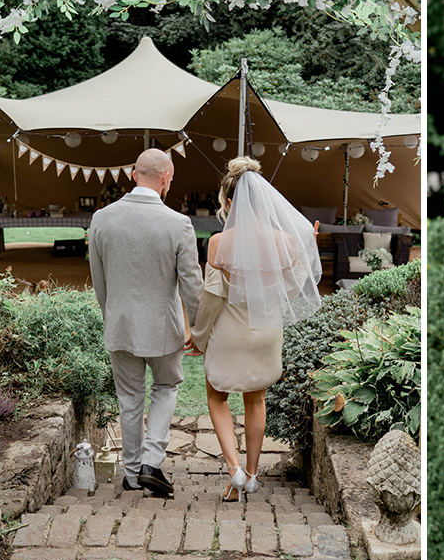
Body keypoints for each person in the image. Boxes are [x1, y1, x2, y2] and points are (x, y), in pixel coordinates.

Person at [185, 157, 322, 501]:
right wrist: (309, 245)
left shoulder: (218, 243)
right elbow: (291, 290)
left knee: (217, 396)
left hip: (229, 335)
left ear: (230, 202)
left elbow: (212, 301)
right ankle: (252, 474)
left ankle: (233, 470)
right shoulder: (287, 242)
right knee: (256, 400)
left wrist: (198, 337)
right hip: (267, 332)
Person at [89, 148, 203, 497]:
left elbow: (99, 280)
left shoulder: (101, 219)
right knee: (167, 387)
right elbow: (192, 285)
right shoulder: (178, 224)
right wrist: (198, 329)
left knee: (129, 397)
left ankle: (133, 473)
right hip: (163, 328)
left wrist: (114, 315)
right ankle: (152, 460)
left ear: (134, 175)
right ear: (166, 178)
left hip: (120, 323)